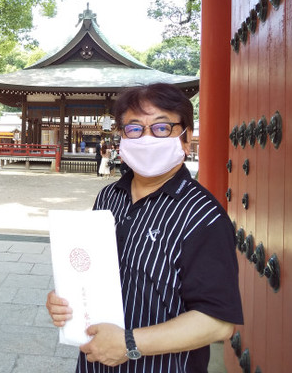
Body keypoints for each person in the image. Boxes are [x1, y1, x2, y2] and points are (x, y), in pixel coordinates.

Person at [46, 83, 243, 373]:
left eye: (162, 128)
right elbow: (92, 271)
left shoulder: (203, 217)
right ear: (122, 137)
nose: (147, 137)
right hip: (95, 363)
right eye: (135, 128)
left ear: (186, 139)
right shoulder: (109, 196)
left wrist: (129, 343)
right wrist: (66, 298)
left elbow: (218, 323)